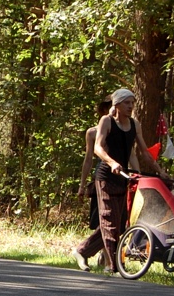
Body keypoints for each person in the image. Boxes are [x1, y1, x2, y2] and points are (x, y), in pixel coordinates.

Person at [91, 87, 168, 274]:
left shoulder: (135, 125)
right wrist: (111, 163)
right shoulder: (106, 121)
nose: (131, 106)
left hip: (123, 178)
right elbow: (97, 148)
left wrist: (160, 171)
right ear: (116, 104)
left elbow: (145, 153)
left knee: (119, 222)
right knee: (109, 220)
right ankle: (113, 265)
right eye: (127, 103)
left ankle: (83, 250)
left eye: (132, 103)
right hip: (105, 176)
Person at [71, 95, 111, 271]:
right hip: (101, 177)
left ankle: (105, 255)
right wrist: (82, 185)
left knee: (116, 219)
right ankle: (96, 252)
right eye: (110, 106)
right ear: (104, 110)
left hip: (119, 177)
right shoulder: (93, 132)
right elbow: (88, 159)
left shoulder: (125, 128)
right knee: (100, 219)